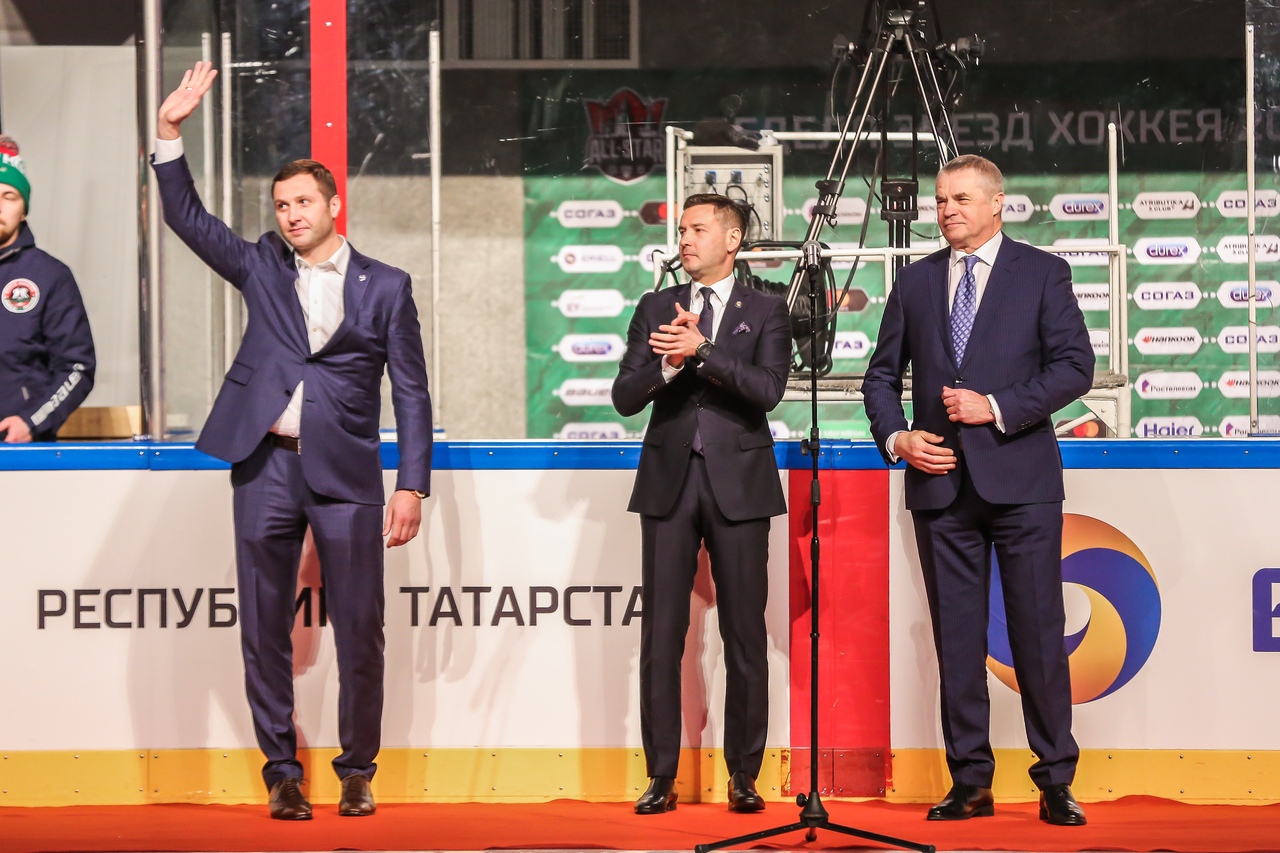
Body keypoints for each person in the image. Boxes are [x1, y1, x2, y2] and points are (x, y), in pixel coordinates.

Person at [152, 62, 433, 821]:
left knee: (362, 631)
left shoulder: (387, 285)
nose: (290, 214)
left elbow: (411, 391)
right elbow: (188, 218)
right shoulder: (260, 265)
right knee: (262, 625)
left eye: (303, 201)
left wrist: (411, 483)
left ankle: (357, 769)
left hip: (347, 475)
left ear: (334, 204)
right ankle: (281, 770)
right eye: (280, 204)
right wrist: (170, 132)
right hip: (264, 467)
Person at [862, 154, 1094, 826]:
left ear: (997, 203)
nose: (946, 211)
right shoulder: (915, 281)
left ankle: (1055, 779)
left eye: (961, 198)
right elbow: (881, 377)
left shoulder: (1042, 272)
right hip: (939, 486)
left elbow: (1075, 366)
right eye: (940, 200)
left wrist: (994, 406)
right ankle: (970, 781)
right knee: (958, 642)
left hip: (1022, 484)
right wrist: (897, 438)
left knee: (1038, 635)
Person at [612, 193, 791, 815]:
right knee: (662, 635)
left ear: (732, 240)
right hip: (668, 482)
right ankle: (661, 775)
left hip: (740, 484)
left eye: (698, 229)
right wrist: (666, 366)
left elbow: (768, 390)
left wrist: (704, 352)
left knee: (744, 635)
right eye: (682, 230)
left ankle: (744, 774)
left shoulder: (767, 308)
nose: (685, 240)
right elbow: (624, 397)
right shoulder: (654, 306)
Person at [0, 135, 95, 443]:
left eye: (9, 196)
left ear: (23, 210)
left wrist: (32, 421)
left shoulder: (49, 275)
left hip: (18, 450)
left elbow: (77, 367)